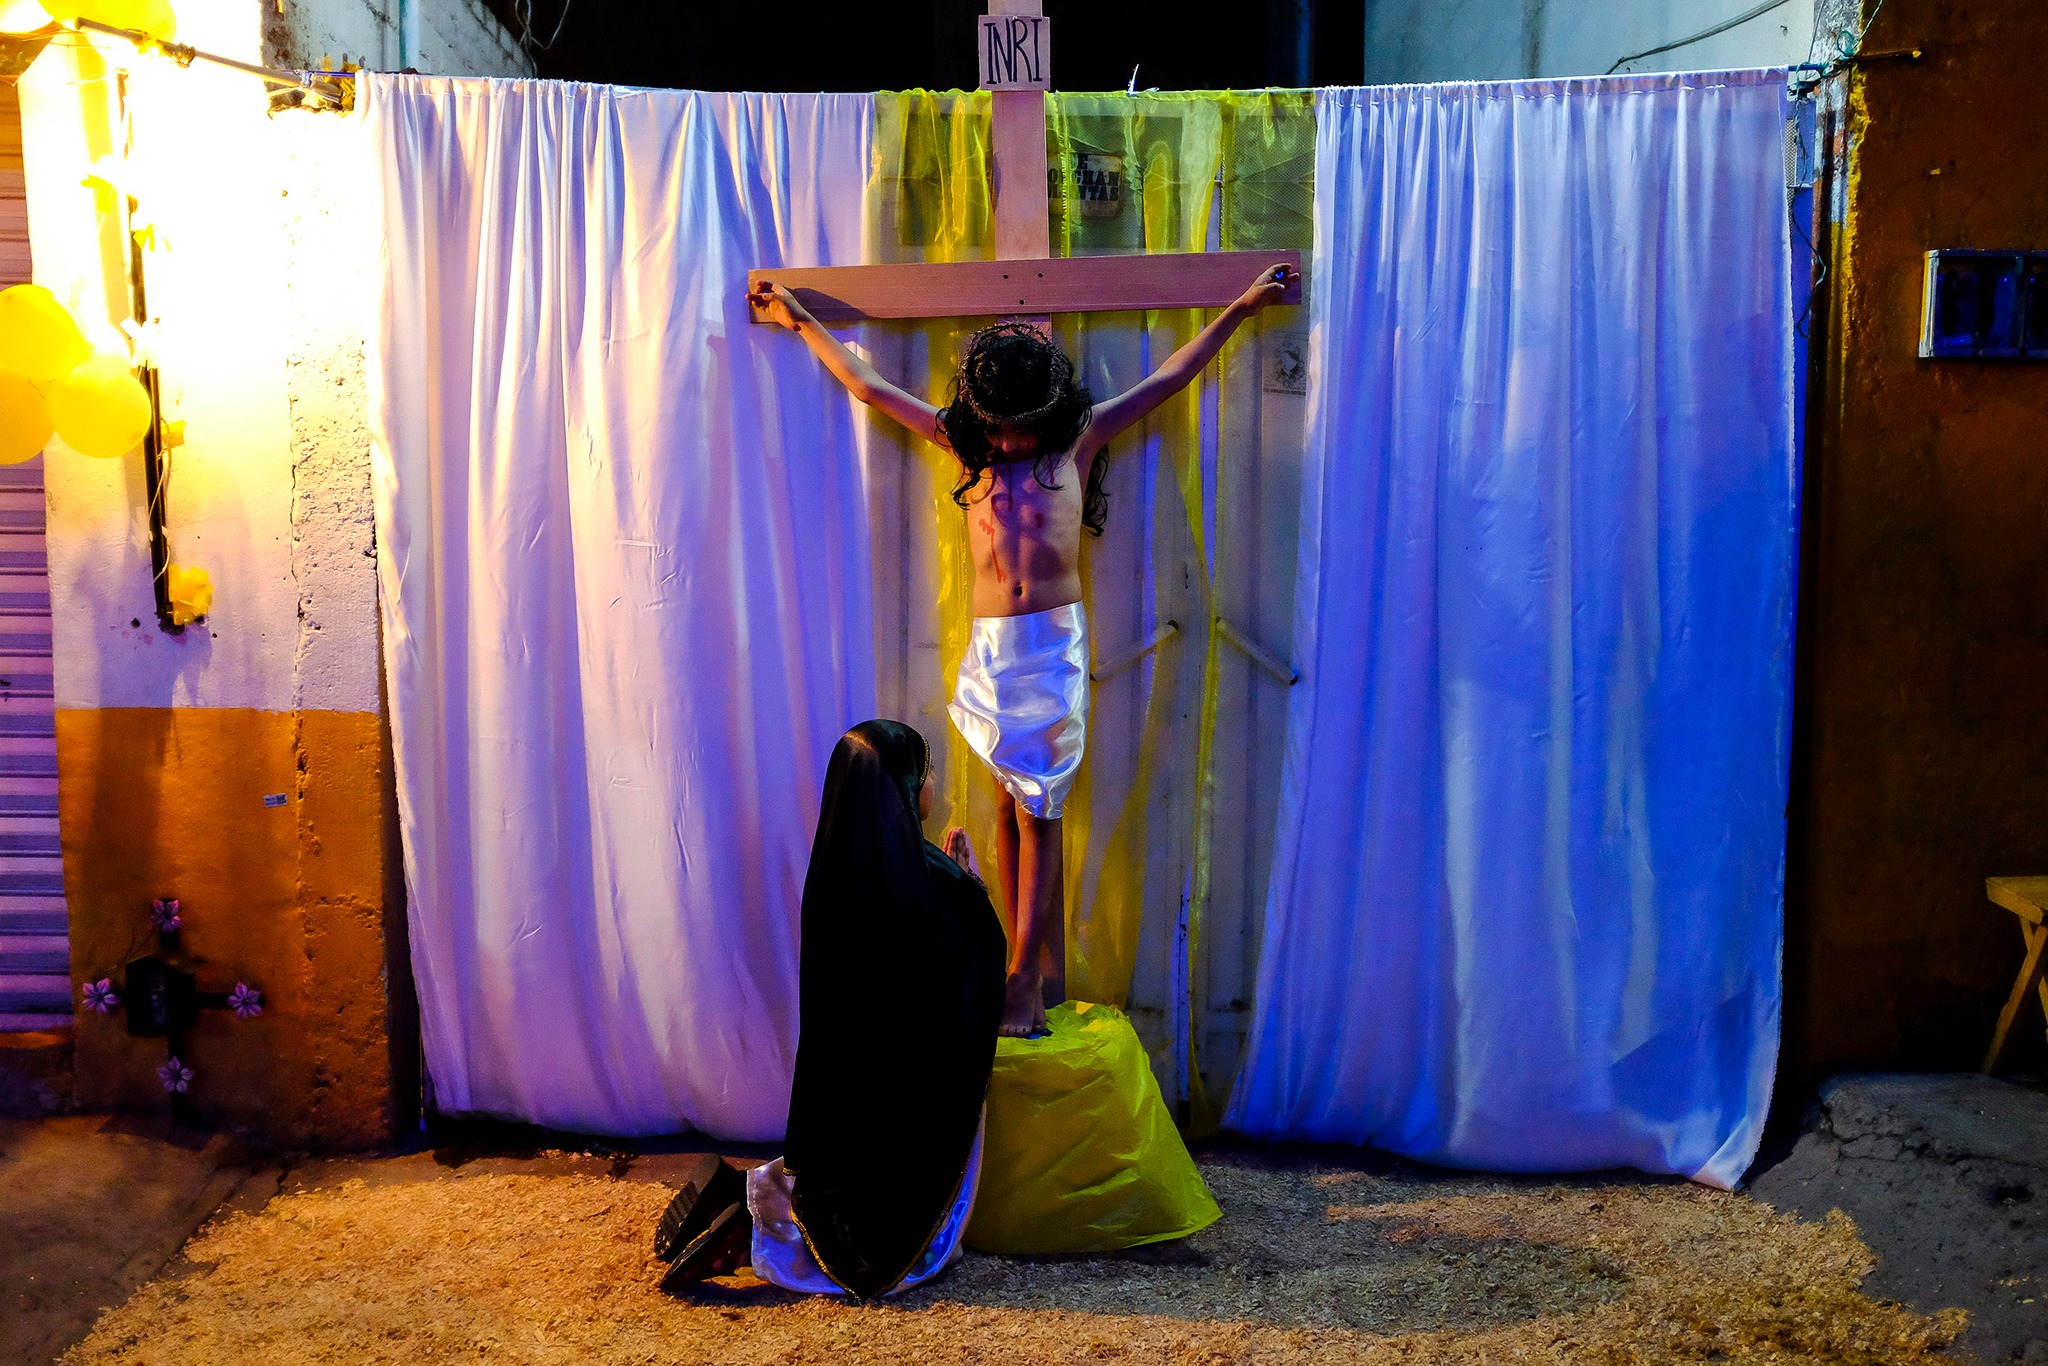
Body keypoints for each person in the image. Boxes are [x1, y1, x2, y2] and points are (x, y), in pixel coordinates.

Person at [748, 266, 1296, 1035]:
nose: (1010, 440)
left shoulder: (1075, 444)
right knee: (1008, 806)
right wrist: (799, 316)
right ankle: (1020, 967)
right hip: (990, 653)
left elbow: (1171, 378)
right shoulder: (967, 451)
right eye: (1000, 427)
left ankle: (1022, 983)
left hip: (1048, 653)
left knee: (1041, 816)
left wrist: (1242, 304)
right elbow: (869, 386)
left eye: (1022, 427)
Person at [656, 719, 1006, 1297]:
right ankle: (757, 1237)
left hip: (841, 1113)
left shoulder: (837, 865)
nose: (932, 787)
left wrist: (953, 884)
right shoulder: (925, 880)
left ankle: (747, 1198)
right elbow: (971, 960)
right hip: (895, 1128)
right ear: (902, 783)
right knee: (889, 1252)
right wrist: (970, 887)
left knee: (830, 1182)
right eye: (926, 774)